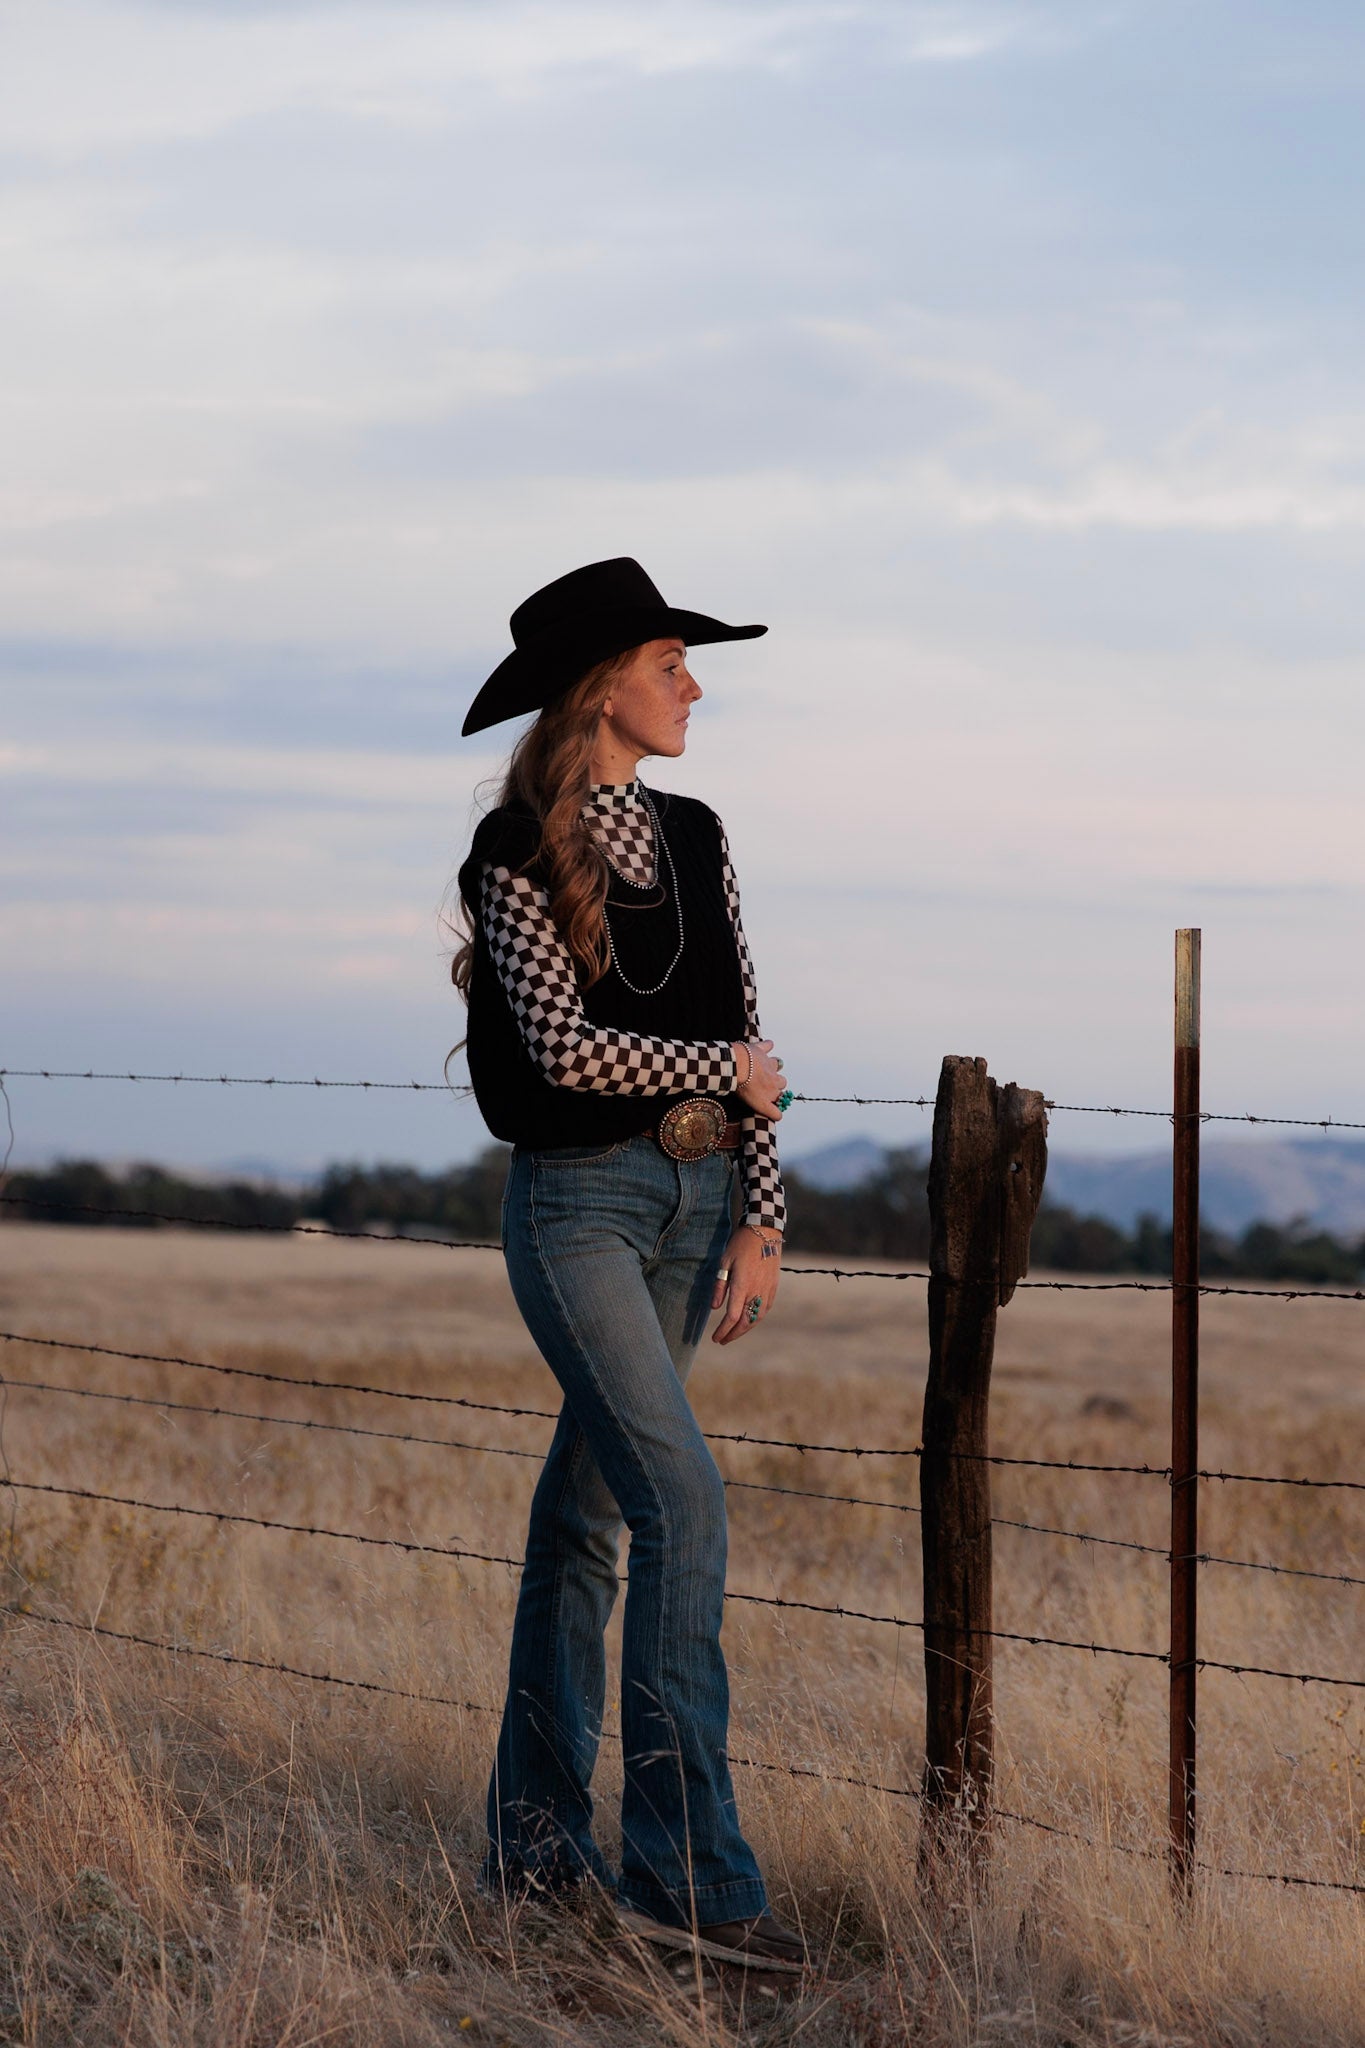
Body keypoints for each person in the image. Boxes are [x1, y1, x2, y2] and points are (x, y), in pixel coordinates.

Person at [452, 556, 803, 1972]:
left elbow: (755, 1039)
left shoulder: (701, 829)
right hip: (581, 1212)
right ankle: (692, 1894)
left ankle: (535, 1857)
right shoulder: (512, 857)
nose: (693, 685)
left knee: (587, 1525)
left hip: (696, 1200)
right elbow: (566, 1053)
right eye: (671, 663)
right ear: (603, 688)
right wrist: (724, 1071)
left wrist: (760, 1210)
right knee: (683, 1512)